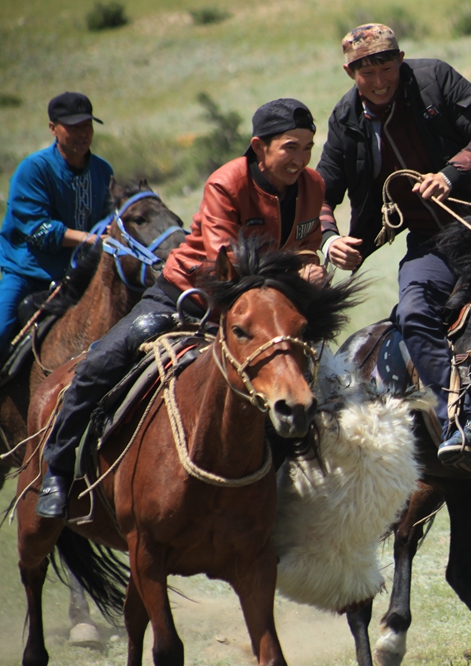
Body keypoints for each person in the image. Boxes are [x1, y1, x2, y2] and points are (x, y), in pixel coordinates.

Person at [35, 98, 326, 519]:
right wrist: (290, 272)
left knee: (310, 383)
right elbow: (226, 260)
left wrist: (310, 267)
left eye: (307, 147)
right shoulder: (226, 182)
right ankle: (58, 472)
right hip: (188, 295)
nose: (300, 159)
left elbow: (306, 245)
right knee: (101, 362)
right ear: (260, 147)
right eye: (290, 148)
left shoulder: (313, 185)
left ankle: (283, 491)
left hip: (259, 309)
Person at [316, 23, 471, 467]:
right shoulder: (346, 120)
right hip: (431, 241)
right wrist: (329, 240)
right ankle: (458, 419)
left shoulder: (435, 79)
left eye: (386, 66)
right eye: (367, 73)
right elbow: (323, 193)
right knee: (415, 309)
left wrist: (451, 172)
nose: (380, 80)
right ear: (350, 72)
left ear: (400, 60)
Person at [0, 92, 113, 359]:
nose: (83, 133)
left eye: (87, 126)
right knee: (1, 328)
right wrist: (91, 239)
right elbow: (37, 228)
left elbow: (109, 218)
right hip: (29, 275)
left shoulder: (102, 170)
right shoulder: (34, 169)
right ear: (53, 128)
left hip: (80, 275)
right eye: (73, 127)